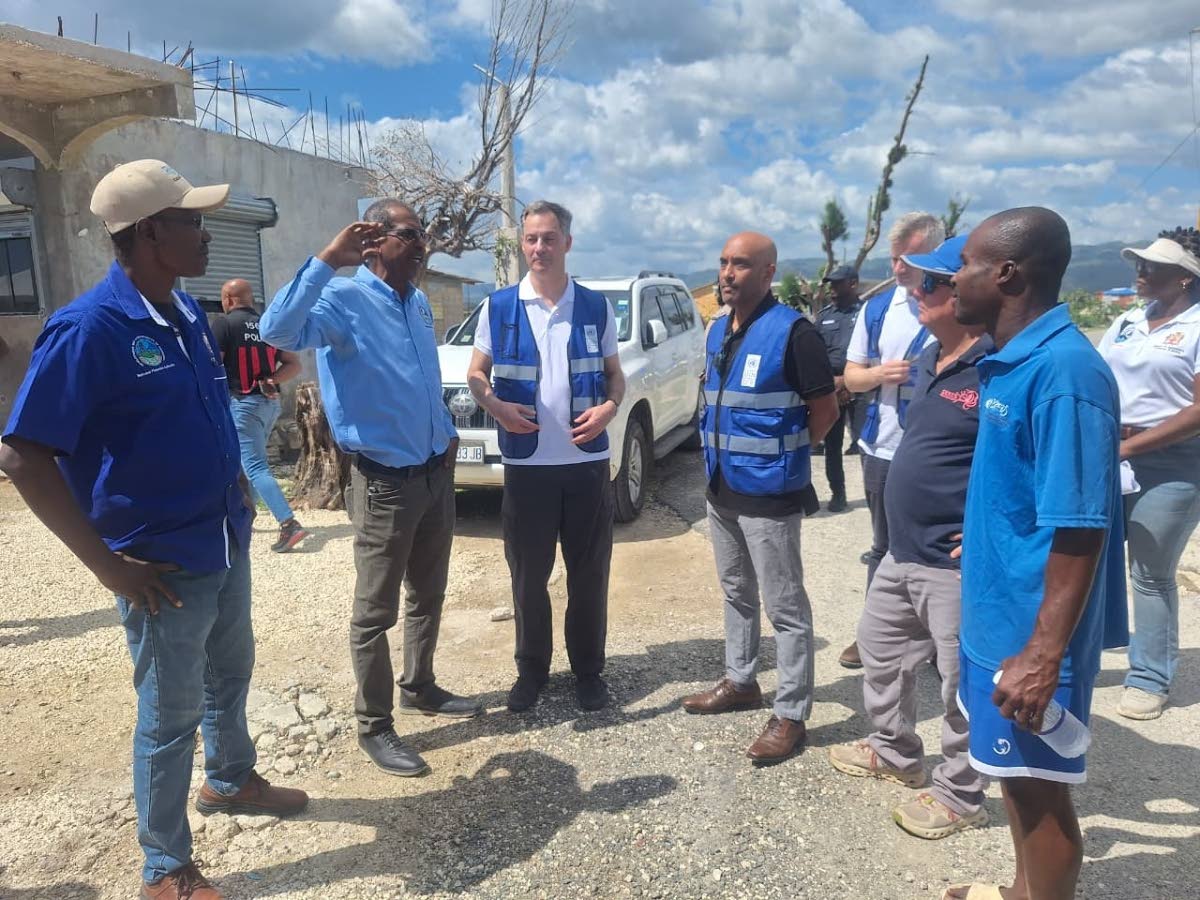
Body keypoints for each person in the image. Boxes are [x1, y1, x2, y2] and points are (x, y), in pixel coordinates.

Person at [0, 159, 307, 900]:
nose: (206, 235)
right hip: (159, 562)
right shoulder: (88, 329)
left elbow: (201, 411)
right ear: (145, 235)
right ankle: (165, 866)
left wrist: (233, 481)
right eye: (191, 222)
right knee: (169, 716)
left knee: (230, 674)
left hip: (222, 539)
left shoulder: (187, 315)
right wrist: (110, 568)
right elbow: (22, 454)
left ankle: (230, 780)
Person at [261, 200, 481, 779]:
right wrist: (328, 259)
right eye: (409, 235)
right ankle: (375, 725)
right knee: (374, 612)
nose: (422, 245)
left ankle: (420, 686)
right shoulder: (341, 300)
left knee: (428, 593)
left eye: (423, 235)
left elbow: (417, 380)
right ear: (373, 242)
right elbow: (274, 330)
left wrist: (447, 433)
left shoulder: (415, 303)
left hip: (435, 471)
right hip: (384, 482)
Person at [945, 207, 1127, 900]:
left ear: (1007, 273)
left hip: (1030, 632)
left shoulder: (1065, 373)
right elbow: (1030, 494)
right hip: (1001, 616)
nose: (954, 279)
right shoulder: (1012, 359)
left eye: (965, 265)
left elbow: (1081, 526)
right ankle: (1021, 891)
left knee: (1041, 790)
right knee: (1013, 778)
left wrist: (1044, 653)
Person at [828, 234, 991, 840]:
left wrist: (984, 533)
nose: (914, 290)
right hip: (903, 548)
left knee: (959, 684)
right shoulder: (928, 358)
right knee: (881, 650)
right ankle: (895, 753)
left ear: (961, 291)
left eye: (928, 283)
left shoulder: (996, 366)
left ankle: (960, 794)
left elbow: (1021, 465)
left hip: (954, 560)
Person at [681, 231, 840, 764]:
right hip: (720, 485)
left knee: (785, 606)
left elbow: (825, 412)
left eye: (741, 265)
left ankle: (791, 714)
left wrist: (785, 457)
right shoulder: (716, 330)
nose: (728, 273)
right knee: (735, 592)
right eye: (724, 262)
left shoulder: (795, 334)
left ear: (769, 272)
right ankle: (741, 681)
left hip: (770, 492)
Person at [466, 200, 624, 713]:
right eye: (531, 239)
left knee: (589, 574)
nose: (539, 248)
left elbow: (615, 375)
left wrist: (610, 408)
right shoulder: (500, 306)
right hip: (527, 468)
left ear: (567, 243)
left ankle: (588, 673)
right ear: (522, 245)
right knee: (527, 578)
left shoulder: (595, 307)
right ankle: (531, 671)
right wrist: (492, 404)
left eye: (549, 238)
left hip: (585, 466)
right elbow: (476, 374)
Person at [1098, 226, 1200, 720]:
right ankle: (1077, 652)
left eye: (1153, 266)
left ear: (1184, 278)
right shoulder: (1129, 321)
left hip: (1173, 462)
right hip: (1112, 451)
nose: (1140, 272)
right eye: (1139, 263)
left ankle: (1149, 677)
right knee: (1086, 556)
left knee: (1151, 574)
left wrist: (1131, 446)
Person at [839, 212, 944, 668]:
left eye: (908, 258)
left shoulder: (954, 305)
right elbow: (850, 378)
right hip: (882, 448)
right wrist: (882, 374)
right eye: (894, 258)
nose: (898, 268)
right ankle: (874, 638)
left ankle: (940, 644)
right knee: (883, 547)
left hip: (938, 455)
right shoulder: (878, 309)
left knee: (938, 553)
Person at [211, 278, 308, 552]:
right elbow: (294, 365)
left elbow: (212, 365)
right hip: (269, 405)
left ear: (228, 299)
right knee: (248, 462)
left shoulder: (223, 324)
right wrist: (271, 378)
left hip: (242, 404)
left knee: (254, 466)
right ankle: (247, 515)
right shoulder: (270, 325)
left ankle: (289, 524)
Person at [814, 265, 864, 512]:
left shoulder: (867, 313)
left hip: (862, 389)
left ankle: (876, 494)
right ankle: (839, 494)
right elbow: (815, 353)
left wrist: (849, 382)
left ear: (853, 284)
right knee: (832, 446)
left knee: (866, 444)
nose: (832, 290)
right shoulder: (824, 316)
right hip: (832, 389)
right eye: (830, 285)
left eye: (837, 284)